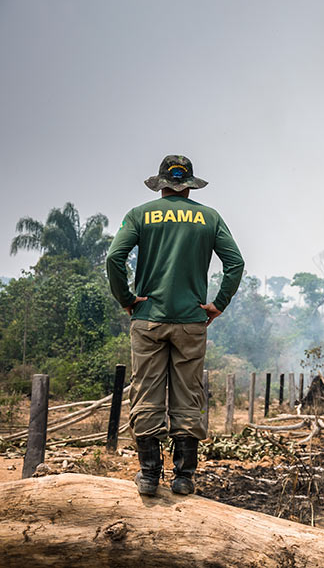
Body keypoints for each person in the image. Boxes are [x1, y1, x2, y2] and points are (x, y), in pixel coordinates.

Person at [106, 155, 244, 496]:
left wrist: (127, 299)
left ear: (162, 183)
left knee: (146, 393)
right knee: (188, 394)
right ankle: (184, 478)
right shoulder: (210, 218)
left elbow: (114, 258)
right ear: (190, 185)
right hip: (191, 322)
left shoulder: (139, 215)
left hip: (148, 320)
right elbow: (235, 263)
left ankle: (150, 477)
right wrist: (218, 304)